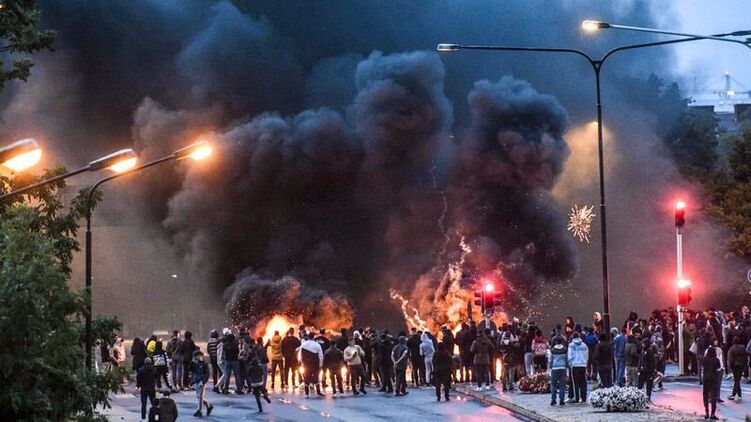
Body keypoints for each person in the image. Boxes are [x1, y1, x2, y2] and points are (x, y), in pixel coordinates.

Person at [190, 350, 214, 417]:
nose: (195, 358)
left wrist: (203, 381)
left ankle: (199, 410)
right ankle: (208, 406)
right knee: (199, 396)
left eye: (196, 356)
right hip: (196, 380)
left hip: (201, 381)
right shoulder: (193, 363)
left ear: (200, 356)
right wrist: (191, 381)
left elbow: (207, 373)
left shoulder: (204, 364)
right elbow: (191, 371)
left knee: (200, 396)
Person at [567, 332, 588, 403]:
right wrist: (585, 363)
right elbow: (586, 356)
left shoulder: (571, 345)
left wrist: (571, 364)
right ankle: (584, 398)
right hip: (583, 365)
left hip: (575, 365)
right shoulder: (584, 345)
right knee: (583, 382)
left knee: (575, 382)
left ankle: (576, 398)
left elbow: (570, 356)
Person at [548, 337, 568, 406]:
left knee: (553, 384)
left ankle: (553, 399)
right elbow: (566, 359)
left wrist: (550, 368)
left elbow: (550, 360)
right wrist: (566, 367)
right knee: (562, 385)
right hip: (563, 368)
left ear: (555, 342)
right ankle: (561, 400)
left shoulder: (553, 350)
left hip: (555, 368)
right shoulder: (565, 350)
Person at [702, 347, 721, 420]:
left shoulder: (704, 359)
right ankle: (713, 413)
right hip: (713, 378)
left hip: (706, 378)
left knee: (705, 395)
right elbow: (718, 367)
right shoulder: (716, 360)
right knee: (714, 396)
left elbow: (702, 364)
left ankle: (706, 412)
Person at [222, 330, 242, 394]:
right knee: (237, 376)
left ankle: (225, 389)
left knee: (227, 376)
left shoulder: (225, 345)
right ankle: (239, 389)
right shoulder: (235, 345)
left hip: (227, 361)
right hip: (235, 361)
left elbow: (223, 352)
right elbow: (238, 352)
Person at [728, 336, 747, 401]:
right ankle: (736, 394)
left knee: (736, 380)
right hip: (741, 366)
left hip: (735, 366)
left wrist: (731, 367)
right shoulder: (743, 347)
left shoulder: (731, 349)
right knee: (737, 380)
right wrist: (745, 365)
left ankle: (737, 395)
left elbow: (730, 360)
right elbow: (745, 357)